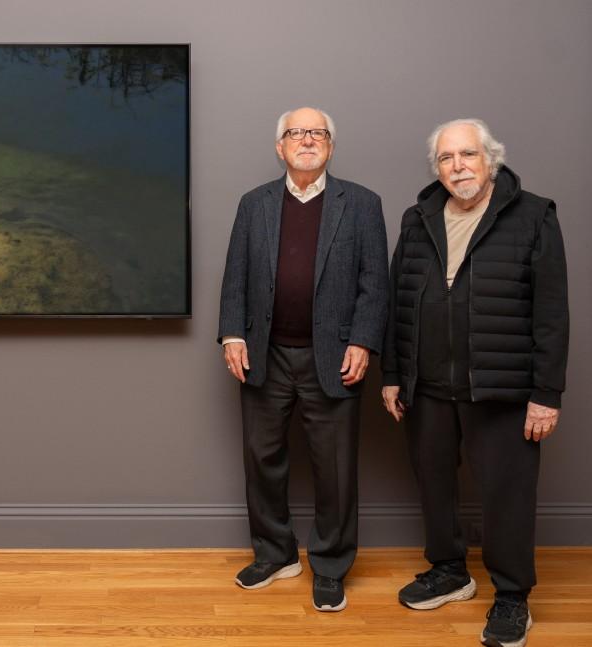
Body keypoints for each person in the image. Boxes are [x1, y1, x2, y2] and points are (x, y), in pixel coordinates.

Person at [381, 118, 568, 647]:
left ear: (491, 159)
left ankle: (512, 597)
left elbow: (552, 313)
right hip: (429, 386)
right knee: (434, 485)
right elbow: (398, 302)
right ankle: (449, 571)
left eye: (467, 155)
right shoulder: (417, 219)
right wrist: (393, 375)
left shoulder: (533, 215)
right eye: (446, 158)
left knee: (507, 495)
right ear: (436, 168)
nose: (457, 166)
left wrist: (545, 394)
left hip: (503, 388)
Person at [218, 107, 389, 612]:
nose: (307, 140)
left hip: (333, 358)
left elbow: (375, 283)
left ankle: (331, 565)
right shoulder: (254, 204)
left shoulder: (360, 204)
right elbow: (235, 275)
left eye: (318, 133)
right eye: (297, 132)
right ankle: (275, 555)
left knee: (334, 468)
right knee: (262, 461)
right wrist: (232, 334)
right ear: (280, 147)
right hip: (264, 355)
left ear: (331, 146)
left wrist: (362, 341)